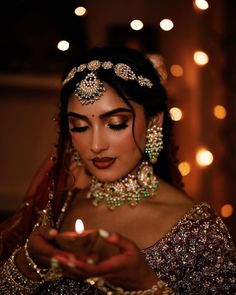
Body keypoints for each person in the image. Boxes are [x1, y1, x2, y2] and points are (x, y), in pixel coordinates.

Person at [0, 46, 235, 295]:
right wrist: (28, 262)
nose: (96, 145)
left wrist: (146, 285)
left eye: (115, 124)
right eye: (79, 127)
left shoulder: (199, 230)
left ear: (154, 122)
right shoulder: (59, 206)